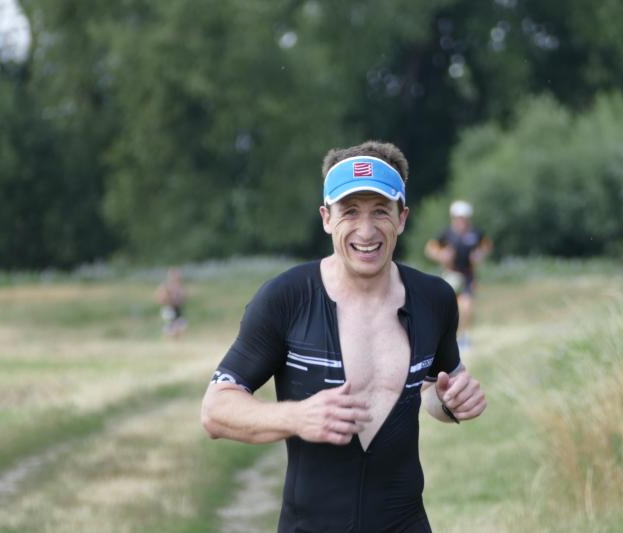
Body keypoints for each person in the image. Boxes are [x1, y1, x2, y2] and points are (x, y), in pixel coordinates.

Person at [201, 140, 486, 532]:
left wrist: (452, 401)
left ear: (402, 217)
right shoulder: (287, 297)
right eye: (350, 211)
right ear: (326, 217)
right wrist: (296, 416)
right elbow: (215, 410)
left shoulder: (434, 299)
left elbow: (431, 393)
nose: (366, 231)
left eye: (380, 211)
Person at [424, 200, 492, 350]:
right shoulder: (447, 233)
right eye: (458, 218)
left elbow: (487, 246)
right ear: (453, 218)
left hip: (468, 275)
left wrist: (480, 255)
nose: (461, 221)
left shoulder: (475, 233)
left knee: (466, 307)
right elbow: (429, 248)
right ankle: (445, 339)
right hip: (450, 275)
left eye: (464, 218)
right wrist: (440, 255)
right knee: (448, 309)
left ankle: (464, 338)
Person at [155, 267, 188, 338]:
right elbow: (160, 298)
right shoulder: (166, 286)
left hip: (177, 309)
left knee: (181, 327)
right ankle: (169, 340)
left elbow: (183, 297)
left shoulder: (179, 286)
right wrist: (169, 300)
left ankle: (174, 341)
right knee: (171, 328)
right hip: (169, 309)